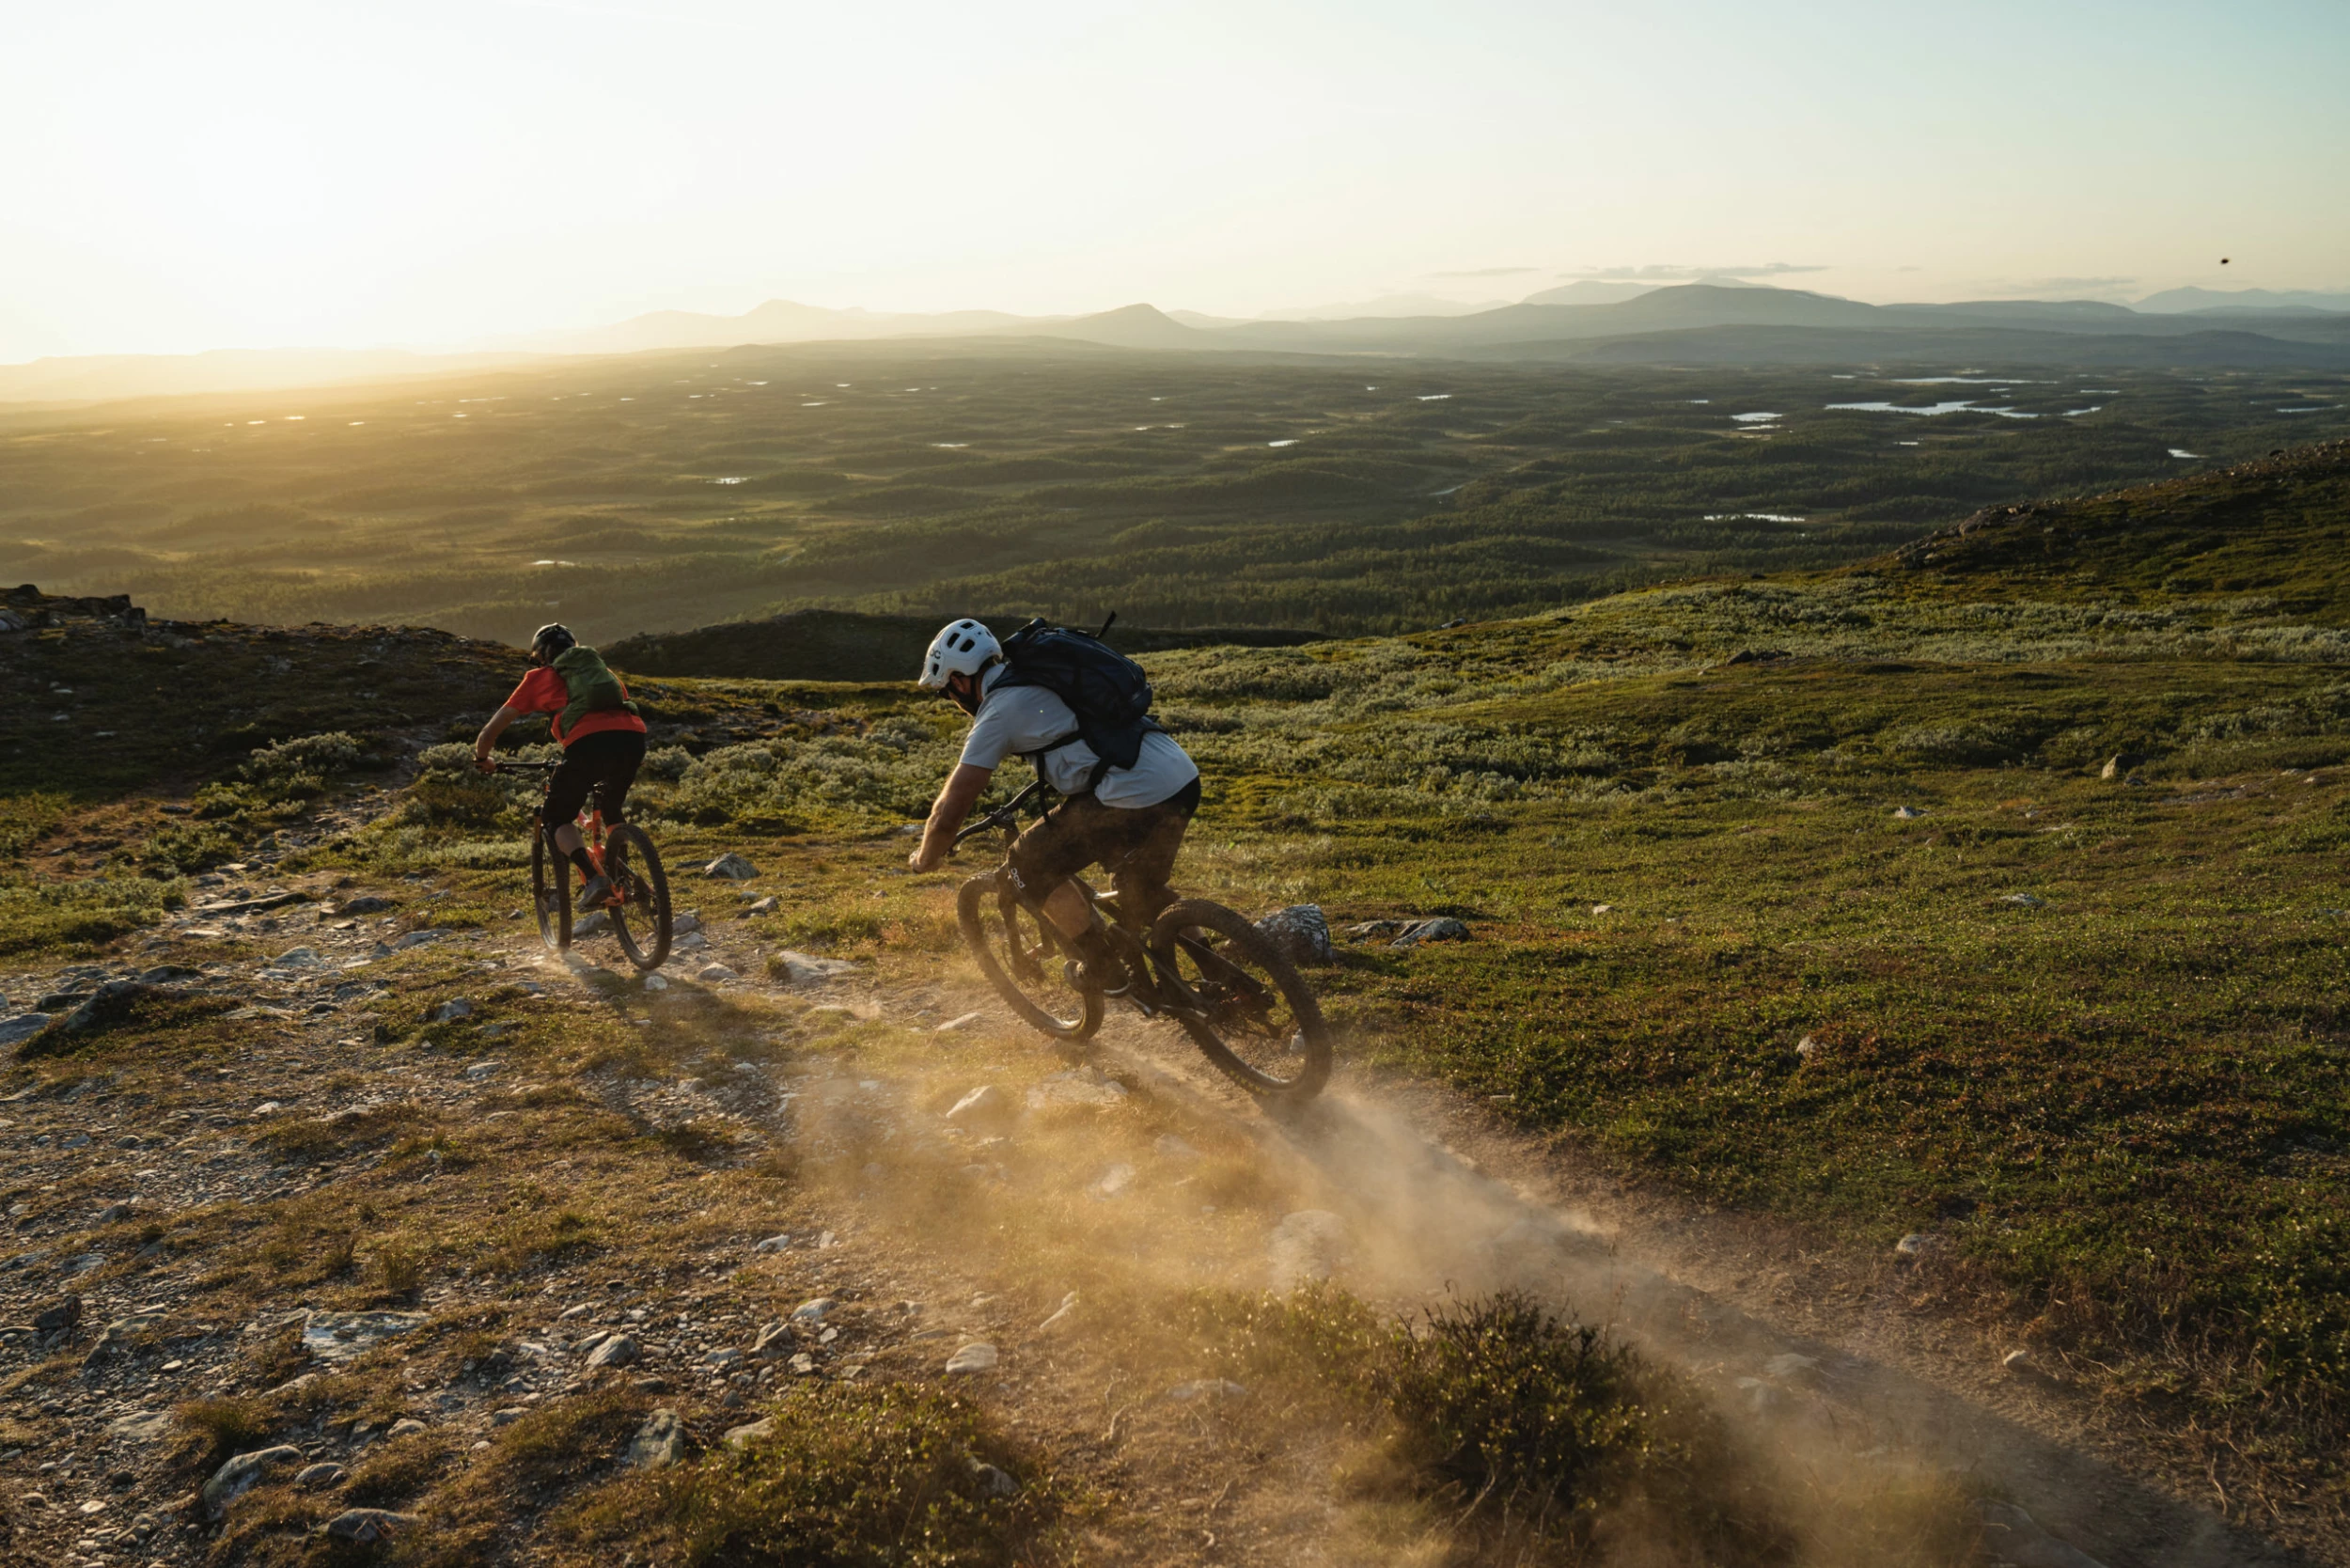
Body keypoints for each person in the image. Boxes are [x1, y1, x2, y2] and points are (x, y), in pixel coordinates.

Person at [909, 618, 1199, 993]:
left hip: (1132, 795)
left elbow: (949, 811)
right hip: (1180, 778)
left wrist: (925, 858)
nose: (952, 700)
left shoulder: (998, 711)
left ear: (960, 682)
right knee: (1140, 888)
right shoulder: (1044, 675)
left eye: (946, 692)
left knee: (1027, 864)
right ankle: (1221, 978)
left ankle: (1103, 969)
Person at [472, 622, 648, 910]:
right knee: (612, 805)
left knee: (556, 818)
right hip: (633, 738)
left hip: (587, 744)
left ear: (541, 656)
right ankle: (625, 878)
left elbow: (490, 731)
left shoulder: (539, 678)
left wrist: (483, 759)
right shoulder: (600, 671)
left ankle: (595, 880)